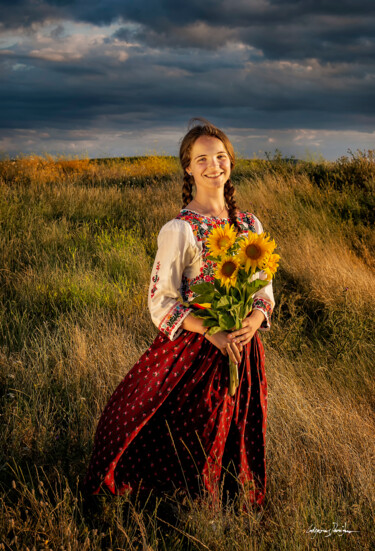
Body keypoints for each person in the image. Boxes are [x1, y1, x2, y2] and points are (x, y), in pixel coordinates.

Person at [84, 118, 274, 509]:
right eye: (201, 158)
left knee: (239, 423)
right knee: (192, 429)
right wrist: (213, 333)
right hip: (196, 348)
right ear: (188, 167)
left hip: (243, 346)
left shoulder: (249, 224)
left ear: (231, 163)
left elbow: (263, 287)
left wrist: (252, 324)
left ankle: (232, 501)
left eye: (221, 157)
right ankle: (179, 505)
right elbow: (162, 300)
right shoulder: (181, 229)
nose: (213, 166)